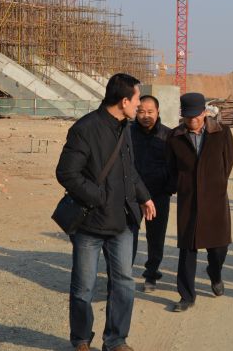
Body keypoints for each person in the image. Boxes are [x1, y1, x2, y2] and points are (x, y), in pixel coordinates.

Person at [56, 73, 156, 351]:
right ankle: (81, 340)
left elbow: (129, 170)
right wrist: (99, 197)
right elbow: (66, 173)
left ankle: (116, 340)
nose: (139, 105)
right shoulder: (85, 128)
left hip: (122, 223)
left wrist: (145, 197)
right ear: (124, 101)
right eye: (136, 99)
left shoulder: (125, 128)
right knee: (84, 286)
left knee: (124, 283)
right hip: (90, 223)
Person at [167, 92, 233, 312]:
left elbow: (228, 162)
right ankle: (186, 295)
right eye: (188, 116)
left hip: (215, 198)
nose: (192, 120)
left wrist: (217, 183)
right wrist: (181, 185)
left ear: (204, 112)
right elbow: (171, 167)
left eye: (196, 115)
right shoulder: (175, 137)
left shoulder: (222, 132)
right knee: (187, 249)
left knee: (219, 247)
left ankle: (215, 274)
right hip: (188, 199)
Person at [130, 95, 175, 293]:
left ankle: (151, 274)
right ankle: (123, 274)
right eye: (141, 111)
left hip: (158, 195)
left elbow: (175, 166)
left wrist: (168, 188)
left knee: (156, 237)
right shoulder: (127, 133)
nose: (145, 116)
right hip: (131, 196)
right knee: (127, 236)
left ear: (158, 112)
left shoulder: (169, 136)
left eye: (150, 112)